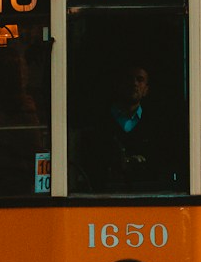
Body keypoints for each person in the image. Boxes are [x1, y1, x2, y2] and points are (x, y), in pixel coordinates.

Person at [76, 63, 177, 194]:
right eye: (128, 78)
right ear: (118, 85)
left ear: (146, 89)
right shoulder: (98, 123)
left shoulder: (156, 126)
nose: (134, 83)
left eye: (140, 80)